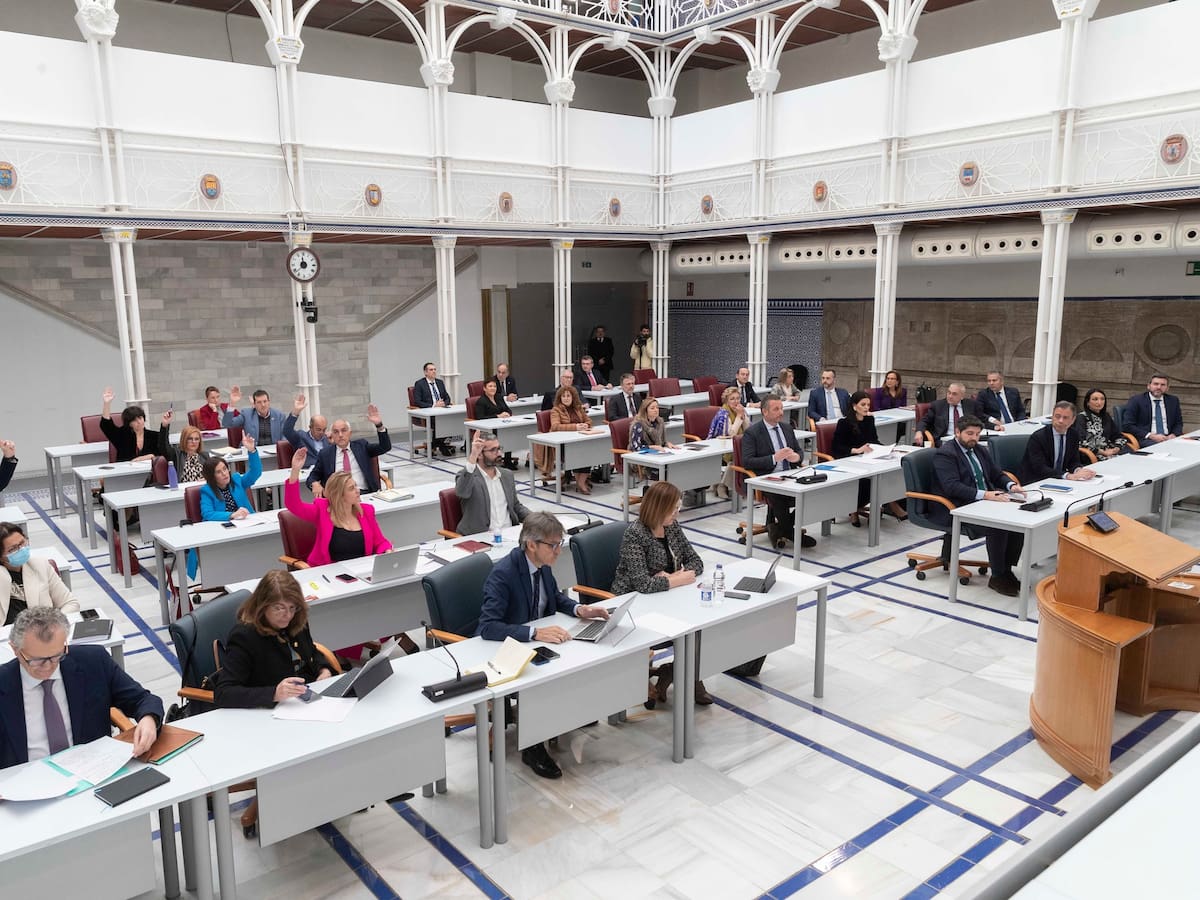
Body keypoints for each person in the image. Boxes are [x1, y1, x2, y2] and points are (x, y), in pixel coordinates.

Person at [476, 512, 611, 779]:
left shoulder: (542, 566)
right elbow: (487, 626)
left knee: (581, 655)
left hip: (536, 642)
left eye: (560, 543)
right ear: (531, 544)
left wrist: (579, 608)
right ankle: (532, 746)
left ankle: (566, 715)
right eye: (553, 545)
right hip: (510, 648)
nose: (559, 551)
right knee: (542, 677)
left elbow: (556, 599)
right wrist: (535, 633)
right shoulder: (503, 574)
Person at [0, 607, 162, 769]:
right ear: (15, 649)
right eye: (37, 660)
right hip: (25, 778)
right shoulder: (4, 681)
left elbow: (143, 699)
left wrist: (148, 719)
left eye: (57, 656)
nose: (48, 666)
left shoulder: (93, 662)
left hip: (91, 770)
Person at [610, 482, 711, 706]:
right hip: (633, 604)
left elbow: (696, 561)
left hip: (665, 598)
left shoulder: (672, 527)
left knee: (700, 627)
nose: (678, 513)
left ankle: (676, 672)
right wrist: (675, 579)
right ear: (658, 508)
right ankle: (686, 676)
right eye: (673, 509)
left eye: (678, 508)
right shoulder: (635, 534)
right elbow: (642, 584)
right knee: (688, 628)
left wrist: (673, 579)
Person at [932, 416, 1025, 597]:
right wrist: (986, 495)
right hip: (956, 506)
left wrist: (1010, 486)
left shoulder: (979, 449)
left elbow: (996, 474)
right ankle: (997, 576)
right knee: (997, 525)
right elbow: (952, 487)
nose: (973, 438)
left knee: (1018, 519)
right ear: (957, 432)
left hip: (983, 501)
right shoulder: (946, 454)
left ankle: (1006, 570)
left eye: (977, 434)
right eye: (969, 434)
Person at [213, 571, 334, 708]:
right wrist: (274, 693)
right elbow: (224, 693)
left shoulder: (297, 621)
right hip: (270, 709)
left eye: (292, 607)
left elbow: (312, 652)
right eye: (279, 608)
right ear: (262, 606)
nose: (287, 615)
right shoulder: (245, 636)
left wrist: (324, 669)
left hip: (307, 699)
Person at [286, 447, 393, 567]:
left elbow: (380, 542)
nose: (358, 491)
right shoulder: (321, 510)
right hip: (329, 572)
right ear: (339, 494)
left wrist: (387, 550)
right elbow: (293, 505)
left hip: (362, 570)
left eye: (356, 486)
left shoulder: (366, 511)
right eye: (352, 488)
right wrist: (295, 470)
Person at [742, 397, 816, 548]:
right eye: (776, 409)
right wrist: (774, 458)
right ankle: (789, 532)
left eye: (781, 408)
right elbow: (747, 461)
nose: (781, 413)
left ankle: (780, 528)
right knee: (779, 495)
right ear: (764, 411)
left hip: (789, 473)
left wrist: (797, 457)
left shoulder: (787, 428)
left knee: (813, 492)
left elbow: (799, 451)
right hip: (765, 477)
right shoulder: (752, 432)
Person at [833, 391, 907, 525]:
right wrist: (856, 450)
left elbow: (874, 440)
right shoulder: (844, 423)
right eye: (863, 405)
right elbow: (837, 447)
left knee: (886, 475)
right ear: (854, 406)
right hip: (849, 461)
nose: (867, 407)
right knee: (868, 480)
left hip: (868, 459)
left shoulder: (869, 420)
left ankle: (891, 502)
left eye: (868, 404)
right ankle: (854, 508)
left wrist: (887, 449)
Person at [0, 523, 80, 626]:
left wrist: (54, 624)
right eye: (13, 549)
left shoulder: (40, 565)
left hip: (45, 633)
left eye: (22, 543)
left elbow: (70, 603)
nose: (21, 550)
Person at [304, 404, 391, 496]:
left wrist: (379, 425)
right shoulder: (325, 454)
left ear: (350, 433)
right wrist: (314, 483)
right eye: (336, 432)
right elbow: (312, 477)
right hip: (338, 498)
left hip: (363, 494)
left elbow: (385, 447)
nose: (340, 435)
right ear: (332, 435)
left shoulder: (361, 446)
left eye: (344, 430)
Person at [455, 432, 529, 534]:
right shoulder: (469, 476)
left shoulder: (507, 475)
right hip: (481, 536)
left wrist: (536, 519)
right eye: (493, 450)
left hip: (509, 532)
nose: (499, 453)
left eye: (499, 448)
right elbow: (462, 492)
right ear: (480, 454)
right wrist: (473, 456)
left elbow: (515, 506)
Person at [1020, 402, 1097, 484]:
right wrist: (1067, 476)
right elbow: (1039, 468)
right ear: (1052, 416)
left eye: (1065, 418)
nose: (1060, 421)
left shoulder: (1073, 434)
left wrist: (1078, 470)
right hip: (1036, 480)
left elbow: (1073, 461)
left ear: (1073, 420)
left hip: (1059, 479)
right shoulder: (1038, 437)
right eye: (1057, 416)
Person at [199, 433, 261, 522]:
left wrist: (252, 451)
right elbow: (207, 514)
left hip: (247, 522)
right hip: (225, 527)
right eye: (218, 472)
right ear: (211, 476)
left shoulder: (237, 481)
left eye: (225, 469)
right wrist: (232, 515)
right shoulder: (207, 491)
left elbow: (256, 472)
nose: (224, 473)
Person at [100, 387, 171, 462]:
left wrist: (165, 425)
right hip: (126, 471)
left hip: (151, 471)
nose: (139, 422)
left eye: (140, 418)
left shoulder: (154, 436)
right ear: (129, 423)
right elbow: (106, 426)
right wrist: (107, 404)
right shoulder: (122, 435)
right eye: (134, 420)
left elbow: (164, 452)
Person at [549, 386, 599, 493]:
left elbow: (589, 420)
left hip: (580, 439)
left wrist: (585, 425)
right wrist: (575, 427)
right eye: (563, 396)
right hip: (563, 443)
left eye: (568, 396)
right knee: (578, 452)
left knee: (590, 450)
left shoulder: (578, 408)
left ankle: (581, 481)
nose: (566, 398)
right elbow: (555, 426)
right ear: (560, 398)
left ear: (573, 397)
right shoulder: (556, 410)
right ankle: (580, 483)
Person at [707, 385, 749, 499]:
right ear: (726, 400)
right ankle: (723, 485)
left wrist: (742, 416)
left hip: (736, 443)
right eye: (732, 399)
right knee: (739, 458)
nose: (736, 401)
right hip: (720, 445)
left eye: (737, 398)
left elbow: (748, 429)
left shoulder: (740, 411)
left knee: (747, 455)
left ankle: (723, 484)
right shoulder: (723, 414)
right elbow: (730, 434)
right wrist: (739, 417)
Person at [915, 382, 986, 447]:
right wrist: (919, 431)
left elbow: (981, 419)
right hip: (944, 440)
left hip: (966, 438)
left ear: (962, 396)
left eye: (954, 394)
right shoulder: (938, 405)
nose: (950, 396)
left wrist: (994, 426)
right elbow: (924, 421)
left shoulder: (971, 405)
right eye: (949, 393)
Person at [1124, 374, 1183, 444]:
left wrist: (1174, 434)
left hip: (1168, 437)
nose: (1159, 387)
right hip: (1147, 438)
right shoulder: (1136, 400)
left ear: (1167, 388)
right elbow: (1128, 425)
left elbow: (1178, 423)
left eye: (1163, 385)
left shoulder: (1173, 401)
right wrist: (1151, 436)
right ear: (1149, 386)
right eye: (1156, 384)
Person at [413, 362, 455, 456]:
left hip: (442, 410)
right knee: (440, 421)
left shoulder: (440, 382)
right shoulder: (419, 384)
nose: (434, 371)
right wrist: (433, 405)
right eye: (431, 370)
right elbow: (417, 401)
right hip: (428, 412)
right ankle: (442, 445)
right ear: (425, 372)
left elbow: (447, 397)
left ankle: (437, 443)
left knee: (452, 419)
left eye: (435, 369)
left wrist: (444, 403)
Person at [222, 386, 287, 446]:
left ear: (269, 402)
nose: (263, 405)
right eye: (259, 402)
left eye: (265, 401)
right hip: (251, 450)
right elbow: (227, 424)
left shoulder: (279, 416)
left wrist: (281, 448)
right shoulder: (246, 414)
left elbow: (285, 436)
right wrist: (232, 403)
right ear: (254, 404)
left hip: (273, 451)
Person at [1075, 388, 1128, 459]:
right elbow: (1080, 442)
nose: (1099, 402)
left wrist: (1117, 448)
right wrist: (1102, 452)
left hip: (1109, 452)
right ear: (1087, 402)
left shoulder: (1106, 416)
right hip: (1091, 455)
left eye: (1102, 399)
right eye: (1095, 399)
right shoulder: (1081, 417)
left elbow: (1118, 436)